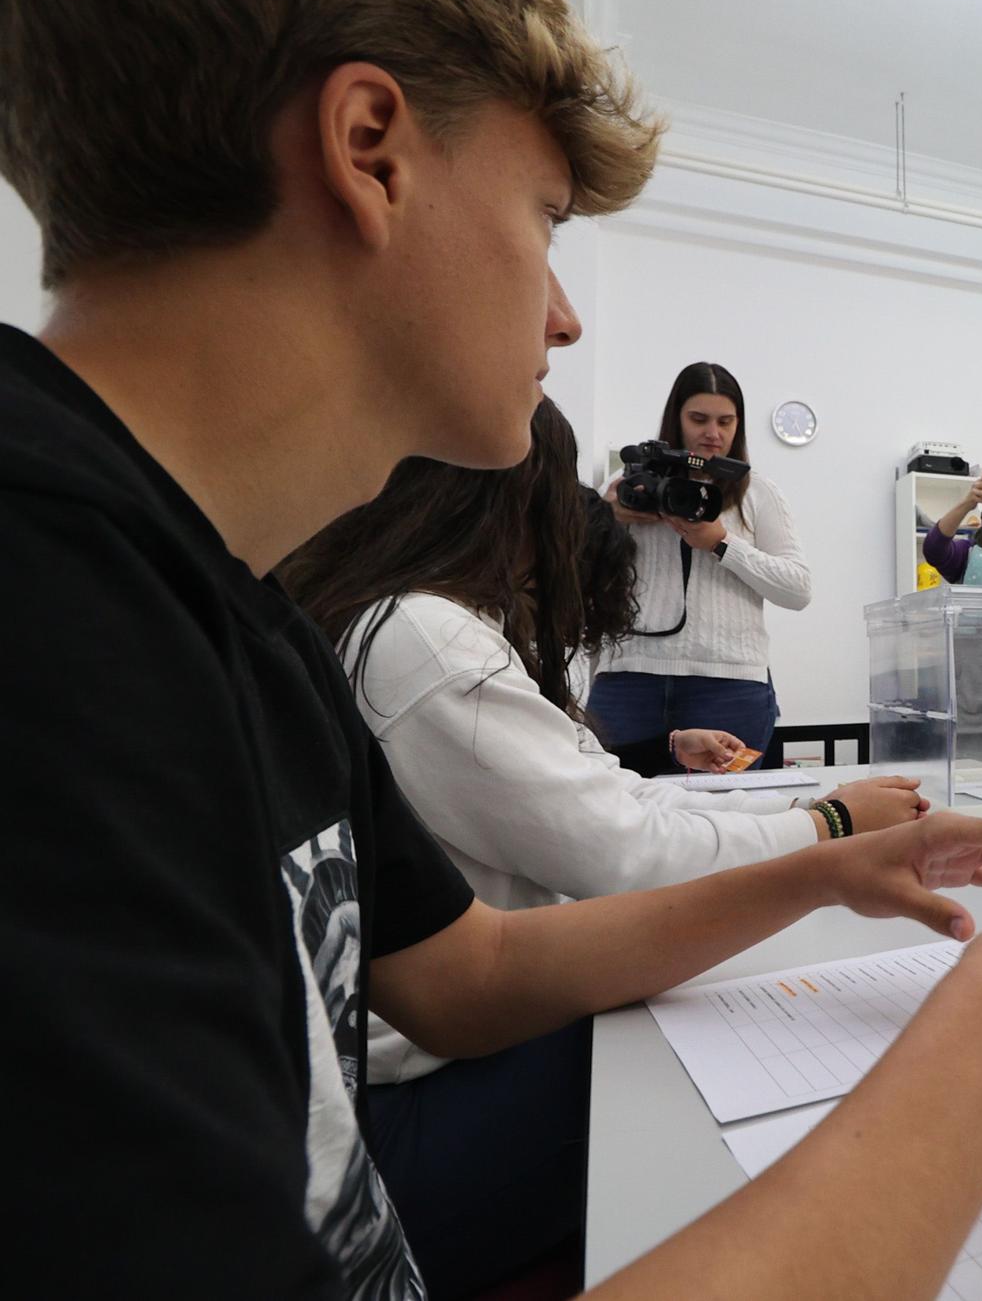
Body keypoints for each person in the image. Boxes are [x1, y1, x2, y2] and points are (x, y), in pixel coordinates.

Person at [0, 0, 982, 1298]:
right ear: (369, 152)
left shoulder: (241, 614)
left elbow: (469, 968)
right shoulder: (51, 627)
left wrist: (828, 866)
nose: (565, 314)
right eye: (545, 222)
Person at [281, 395, 935, 1292]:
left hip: (403, 1084)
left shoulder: (406, 623)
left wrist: (808, 821)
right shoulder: (429, 641)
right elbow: (627, 852)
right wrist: (827, 829)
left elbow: (605, 808)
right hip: (410, 1114)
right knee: (705, 1034)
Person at [590, 361, 806, 768]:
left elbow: (797, 589)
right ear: (676, 419)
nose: (713, 433)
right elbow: (581, 576)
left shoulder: (756, 492)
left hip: (731, 684)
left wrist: (722, 543)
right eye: (699, 419)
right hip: (628, 676)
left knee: (727, 813)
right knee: (617, 807)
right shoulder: (628, 487)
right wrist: (605, 518)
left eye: (726, 421)